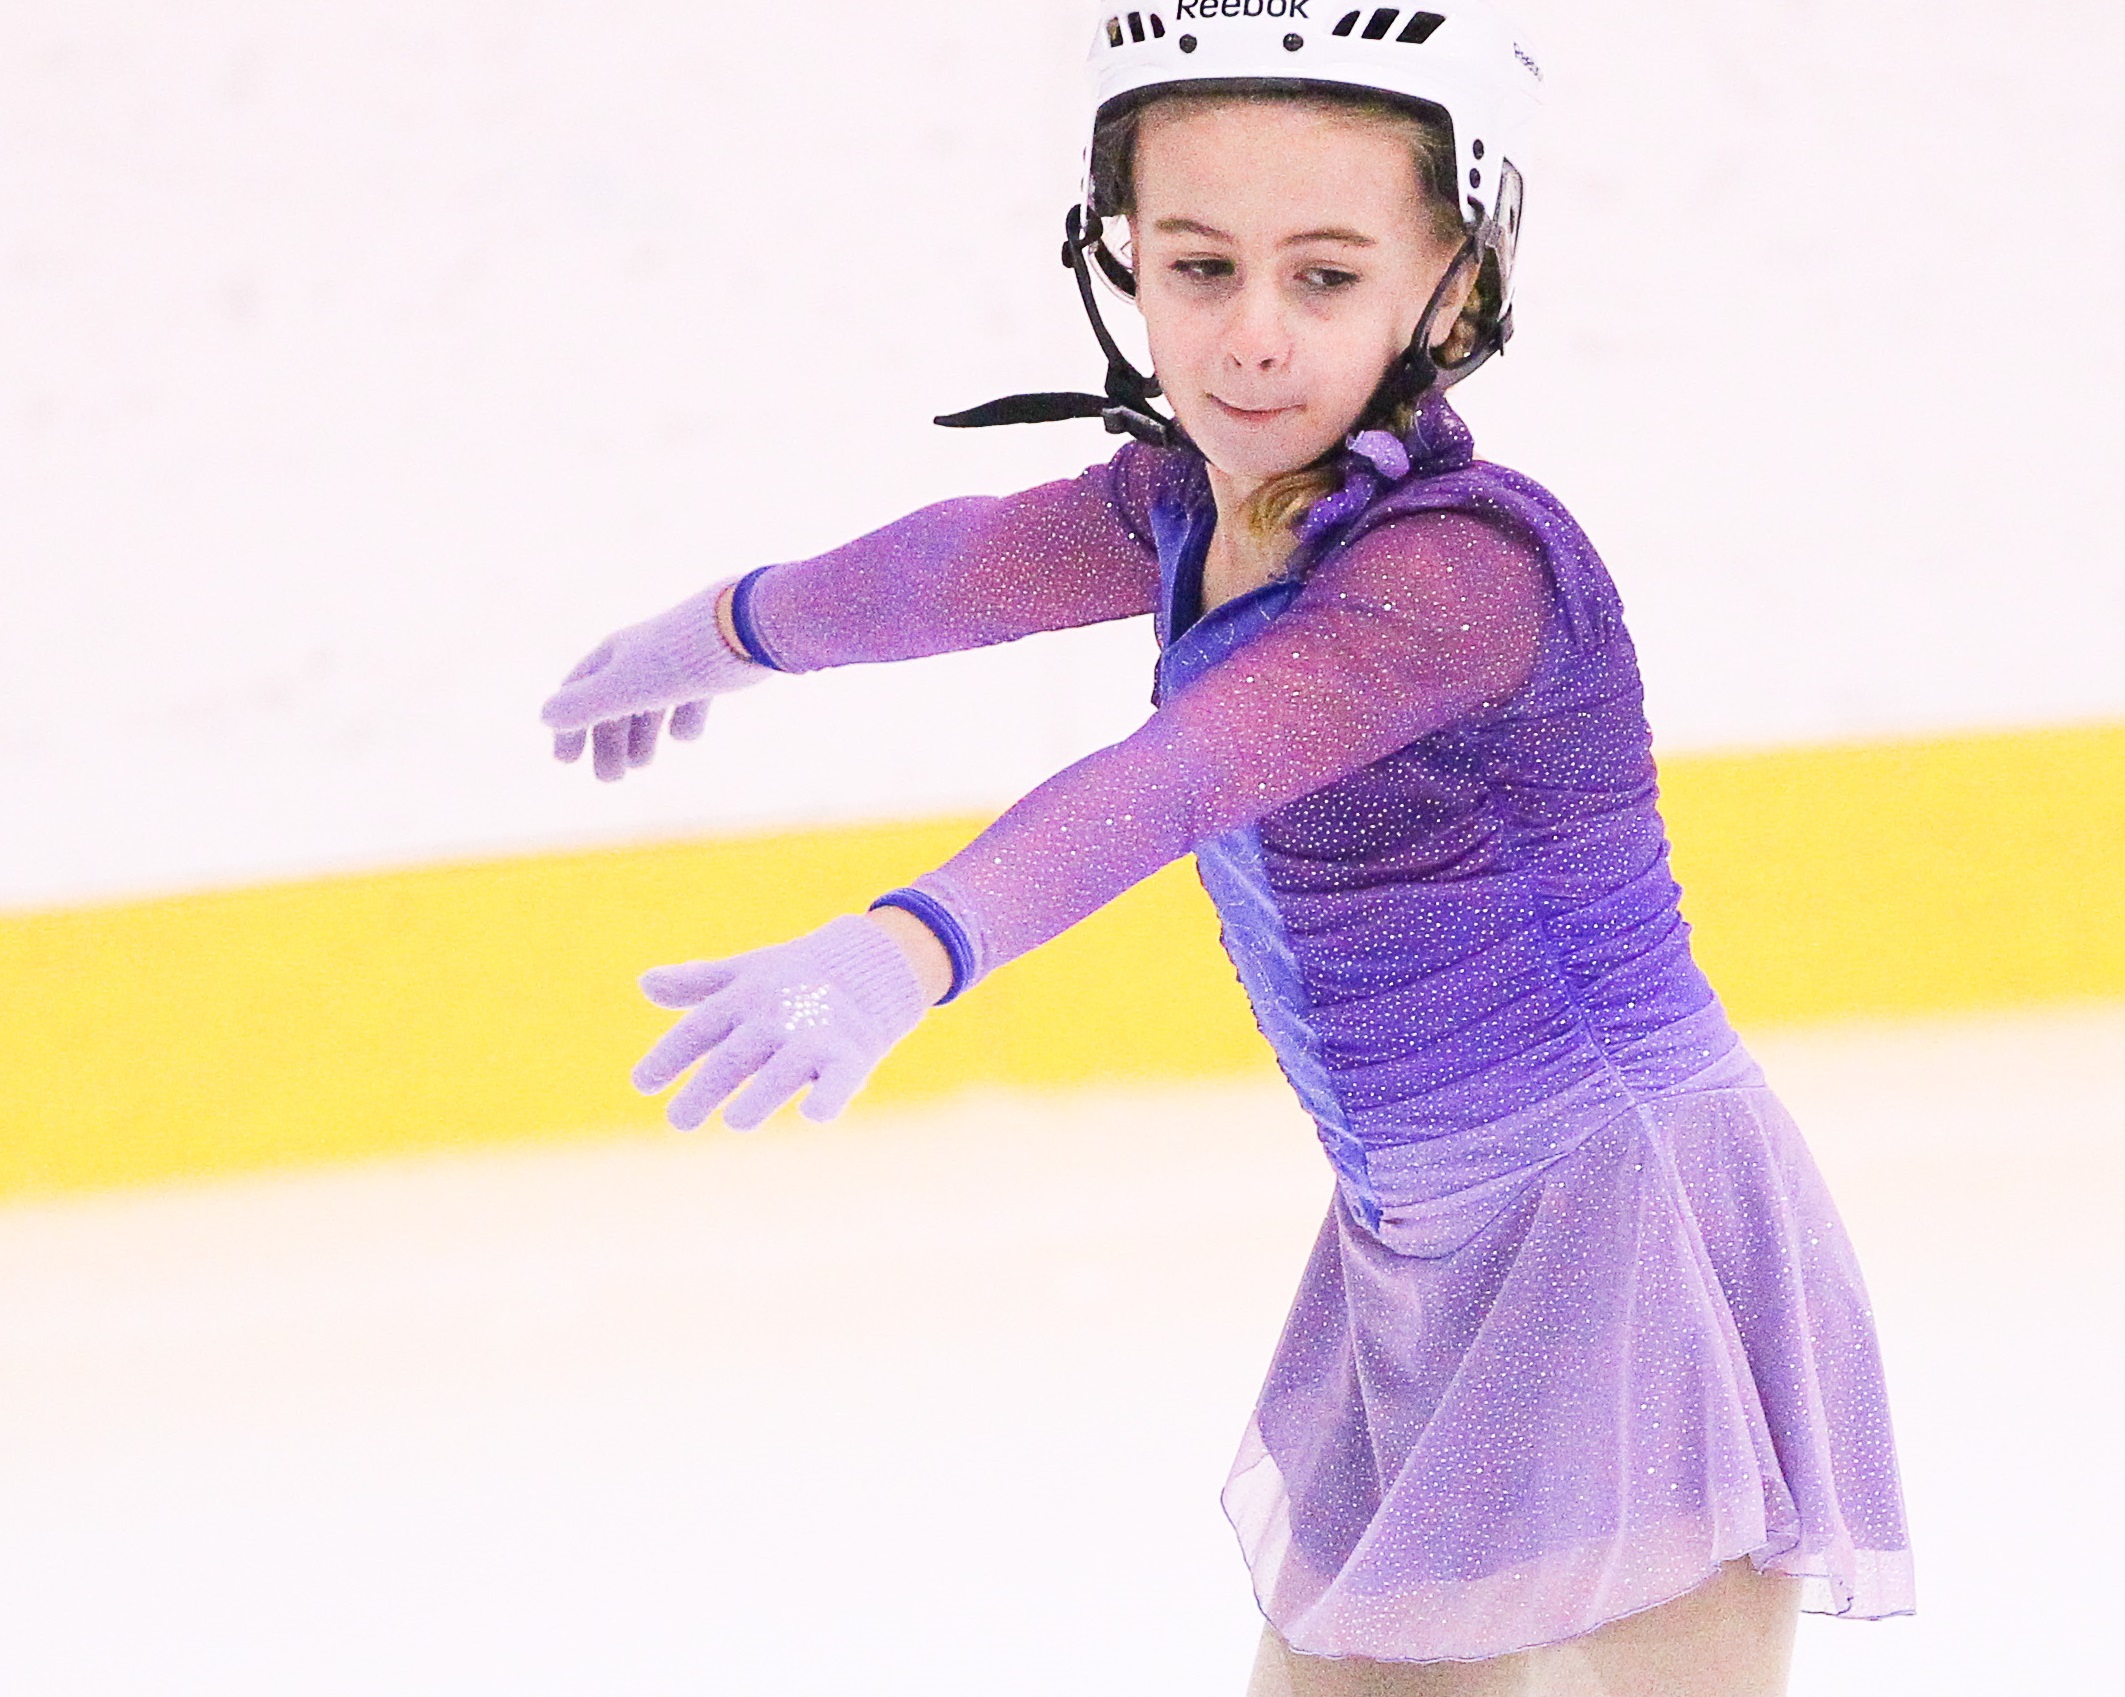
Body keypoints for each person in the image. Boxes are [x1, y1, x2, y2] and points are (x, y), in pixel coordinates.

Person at [540, 5, 1913, 1690]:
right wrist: (721, 629)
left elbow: (1184, 769)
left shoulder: (1465, 570)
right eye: (1197, 267)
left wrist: (909, 943)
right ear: (1118, 259)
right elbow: (952, 568)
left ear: (1453, 288)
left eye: (1323, 277)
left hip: (1623, 1230)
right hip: (1411, 1239)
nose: (1249, 337)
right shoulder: (1185, 504)